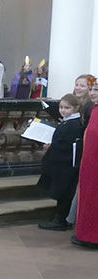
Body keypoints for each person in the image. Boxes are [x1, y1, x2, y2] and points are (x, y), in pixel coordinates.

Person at [37, 93, 83, 231]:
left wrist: (52, 146)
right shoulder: (67, 122)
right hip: (61, 163)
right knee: (61, 192)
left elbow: (66, 144)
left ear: (76, 108)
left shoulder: (73, 125)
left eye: (67, 108)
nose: (63, 110)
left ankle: (60, 220)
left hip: (66, 164)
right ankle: (59, 217)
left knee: (64, 193)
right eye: (61, 107)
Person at [73, 82, 98, 248]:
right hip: (90, 164)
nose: (92, 93)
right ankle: (86, 234)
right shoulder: (95, 110)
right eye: (93, 89)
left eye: (96, 90)